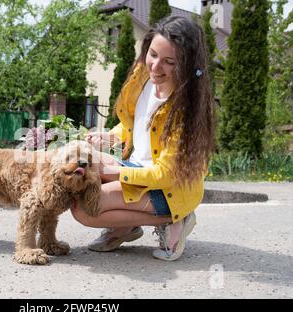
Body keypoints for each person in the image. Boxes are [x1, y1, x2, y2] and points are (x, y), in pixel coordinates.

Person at [70, 16, 215, 261]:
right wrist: (112, 136)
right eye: (153, 54)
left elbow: (165, 175)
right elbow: (134, 123)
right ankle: (126, 227)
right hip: (136, 168)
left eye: (169, 62)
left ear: (187, 66)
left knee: (84, 208)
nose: (156, 67)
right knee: (81, 168)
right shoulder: (143, 77)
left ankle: (176, 217)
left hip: (168, 187)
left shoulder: (187, 110)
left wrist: (114, 172)